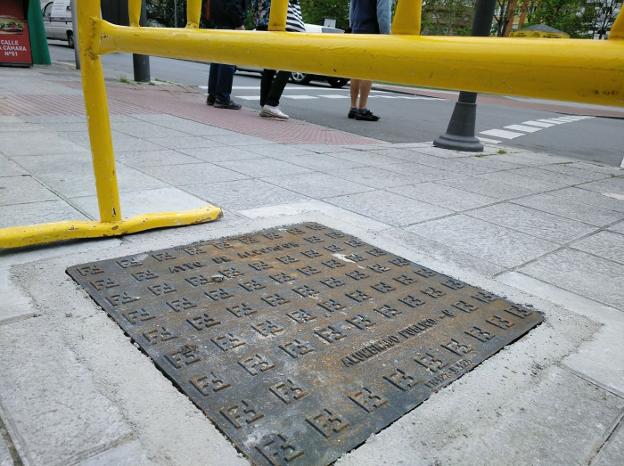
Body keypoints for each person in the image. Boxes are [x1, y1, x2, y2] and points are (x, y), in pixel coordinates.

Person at [252, 0, 306, 120]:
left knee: (269, 65)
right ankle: (271, 103)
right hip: (286, 24)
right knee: (288, 64)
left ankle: (265, 104)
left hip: (266, 22)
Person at [348, 0, 392, 121]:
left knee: (356, 71)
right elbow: (384, 12)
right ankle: (362, 109)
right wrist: (386, 34)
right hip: (371, 30)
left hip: (356, 30)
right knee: (368, 70)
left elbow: (351, 8)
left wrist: (352, 26)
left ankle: (353, 107)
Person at [206, 0, 250, 110]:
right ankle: (222, 98)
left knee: (217, 59)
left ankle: (213, 95)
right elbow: (233, 4)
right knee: (227, 61)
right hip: (230, 24)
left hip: (219, 22)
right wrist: (239, 23)